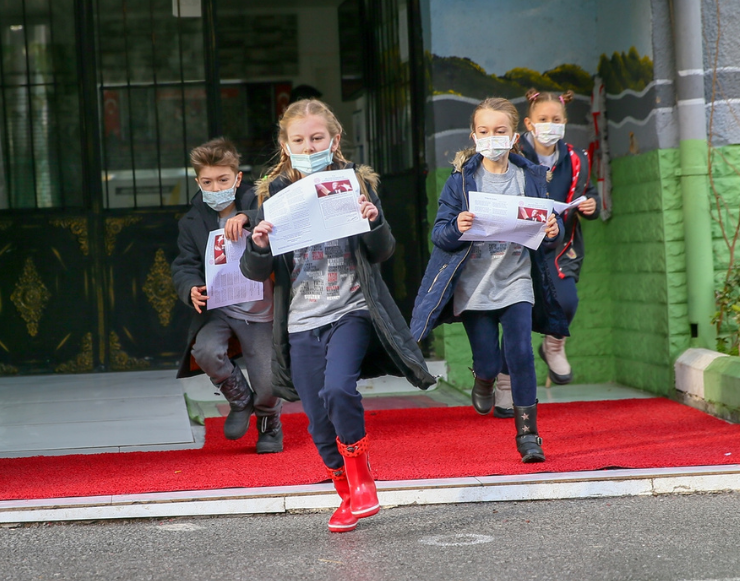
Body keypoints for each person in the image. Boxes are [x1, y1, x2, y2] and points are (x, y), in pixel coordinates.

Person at [237, 99, 435, 532]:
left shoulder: (356, 184)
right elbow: (256, 272)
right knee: (317, 417)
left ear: (335, 139)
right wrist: (258, 244)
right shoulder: (271, 196)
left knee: (339, 389)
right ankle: (345, 492)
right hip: (301, 321)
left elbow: (382, 251)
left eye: (317, 138)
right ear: (285, 146)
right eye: (299, 141)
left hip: (352, 309)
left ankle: (363, 477)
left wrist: (374, 220)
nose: (310, 147)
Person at [410, 97, 568, 463]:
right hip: (474, 287)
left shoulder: (529, 176)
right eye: (484, 132)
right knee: (487, 359)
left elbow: (549, 231)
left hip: (516, 281)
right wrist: (457, 227)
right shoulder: (460, 181)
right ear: (474, 135)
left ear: (514, 137)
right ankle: (483, 377)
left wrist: (552, 230)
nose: (492, 138)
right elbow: (440, 235)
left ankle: (528, 434)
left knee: (521, 353)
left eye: (500, 131)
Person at [493, 89, 603, 416]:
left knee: (567, 301)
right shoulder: (512, 153)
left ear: (565, 123)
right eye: (543, 120)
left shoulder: (576, 158)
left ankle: (553, 345)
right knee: (518, 320)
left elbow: (588, 192)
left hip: (560, 247)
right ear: (529, 123)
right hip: (518, 248)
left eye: (556, 120)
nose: (549, 125)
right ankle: (503, 384)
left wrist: (591, 206)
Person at [172, 137, 283, 454]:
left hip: (261, 311)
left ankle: (269, 427)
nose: (215, 187)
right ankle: (239, 399)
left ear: (237, 178)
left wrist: (248, 216)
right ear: (198, 182)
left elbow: (279, 220)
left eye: (223, 179)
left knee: (266, 381)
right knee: (205, 350)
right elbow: (184, 264)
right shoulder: (192, 221)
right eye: (207, 181)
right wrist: (190, 287)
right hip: (220, 308)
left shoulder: (261, 200)